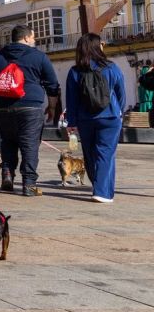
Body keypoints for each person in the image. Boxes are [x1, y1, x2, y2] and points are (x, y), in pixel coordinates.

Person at [0, 24, 61, 197]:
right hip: (30, 107)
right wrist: (52, 106)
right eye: (33, 37)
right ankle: (29, 184)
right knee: (29, 145)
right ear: (25, 38)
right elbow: (52, 85)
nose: (34, 40)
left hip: (2, 108)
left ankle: (7, 174)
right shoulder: (39, 57)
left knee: (7, 141)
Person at [65, 34, 126, 203]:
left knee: (90, 154)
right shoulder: (112, 67)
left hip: (85, 119)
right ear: (98, 47)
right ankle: (102, 192)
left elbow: (71, 99)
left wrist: (71, 121)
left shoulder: (75, 71)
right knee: (105, 153)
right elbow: (121, 93)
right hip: (110, 117)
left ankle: (99, 186)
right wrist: (120, 110)